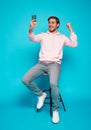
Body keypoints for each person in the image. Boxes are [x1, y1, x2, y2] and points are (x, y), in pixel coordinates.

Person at [22, 16, 78, 124]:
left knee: (53, 84)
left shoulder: (62, 37)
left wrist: (71, 29)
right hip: (41, 64)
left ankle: (55, 110)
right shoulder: (43, 35)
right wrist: (31, 29)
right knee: (25, 79)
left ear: (57, 25)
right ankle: (41, 95)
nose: (50, 24)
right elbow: (32, 38)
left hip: (54, 64)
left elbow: (74, 44)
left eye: (53, 23)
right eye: (49, 23)